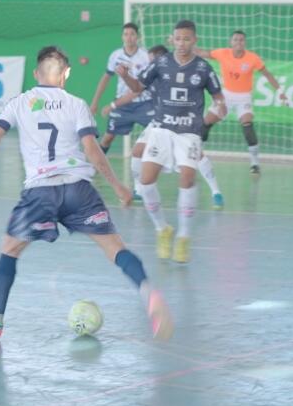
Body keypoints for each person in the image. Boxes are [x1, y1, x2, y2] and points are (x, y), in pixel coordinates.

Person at [0, 46, 173, 341]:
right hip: (79, 189)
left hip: (40, 191)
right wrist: (118, 185)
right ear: (65, 75)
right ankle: (148, 293)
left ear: (36, 74)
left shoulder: (19, 102)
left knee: (9, 250)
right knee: (114, 248)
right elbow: (92, 151)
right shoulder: (76, 103)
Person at [120, 21, 226, 263]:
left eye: (187, 39)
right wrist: (126, 77)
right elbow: (138, 87)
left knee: (187, 177)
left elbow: (220, 101)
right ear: (172, 40)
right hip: (161, 129)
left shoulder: (203, 68)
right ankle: (163, 229)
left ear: (195, 40)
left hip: (189, 132)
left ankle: (184, 237)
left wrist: (211, 117)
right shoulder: (161, 62)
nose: (182, 43)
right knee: (146, 181)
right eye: (178, 39)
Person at [110, 45, 225, 210]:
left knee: (197, 156)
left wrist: (213, 111)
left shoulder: (179, 72)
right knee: (137, 151)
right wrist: (115, 102)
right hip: (159, 122)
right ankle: (139, 190)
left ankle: (216, 192)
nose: (149, 62)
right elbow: (135, 90)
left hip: (184, 123)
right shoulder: (153, 74)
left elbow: (212, 97)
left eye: (152, 59)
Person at [195, 30, 288, 174]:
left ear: (245, 43)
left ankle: (255, 163)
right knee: (206, 123)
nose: (238, 42)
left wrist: (280, 92)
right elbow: (201, 53)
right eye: (236, 40)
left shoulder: (252, 58)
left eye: (241, 40)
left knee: (247, 125)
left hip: (244, 96)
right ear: (231, 42)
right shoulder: (222, 53)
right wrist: (183, 45)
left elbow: (268, 74)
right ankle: (197, 155)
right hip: (225, 95)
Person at [89, 23, 153, 154]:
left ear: (138, 37)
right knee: (107, 138)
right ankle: (95, 166)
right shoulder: (115, 56)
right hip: (122, 104)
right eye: (126, 34)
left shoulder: (146, 56)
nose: (129, 37)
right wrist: (95, 102)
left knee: (158, 133)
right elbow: (105, 78)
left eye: (132, 34)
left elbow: (143, 86)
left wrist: (112, 105)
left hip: (144, 103)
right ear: (122, 37)